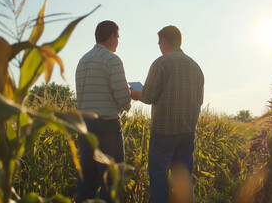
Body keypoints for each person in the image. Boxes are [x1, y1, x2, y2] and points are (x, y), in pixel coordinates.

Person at [130, 25, 204, 203]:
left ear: (164, 41)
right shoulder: (196, 67)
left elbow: (148, 96)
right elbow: (199, 101)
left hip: (163, 132)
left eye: (159, 42)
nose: (159, 46)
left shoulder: (161, 63)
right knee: (183, 180)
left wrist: (135, 94)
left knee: (158, 177)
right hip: (187, 132)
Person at [75, 20, 131, 203]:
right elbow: (123, 97)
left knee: (87, 178)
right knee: (110, 179)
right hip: (107, 125)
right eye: (118, 37)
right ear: (112, 36)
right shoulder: (112, 60)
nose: (118, 41)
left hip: (84, 125)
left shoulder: (82, 61)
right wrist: (126, 104)